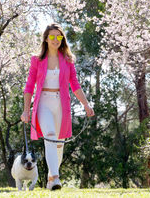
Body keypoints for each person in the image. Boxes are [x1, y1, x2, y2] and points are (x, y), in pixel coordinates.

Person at [21, 23, 95, 190]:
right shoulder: (37, 60)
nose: (55, 40)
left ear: (62, 39)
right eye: (52, 36)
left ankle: (50, 177)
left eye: (59, 37)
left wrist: (86, 104)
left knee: (59, 143)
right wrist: (26, 110)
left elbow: (75, 84)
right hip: (43, 103)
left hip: (61, 105)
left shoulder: (68, 60)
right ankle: (55, 178)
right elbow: (29, 86)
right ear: (46, 39)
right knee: (50, 135)